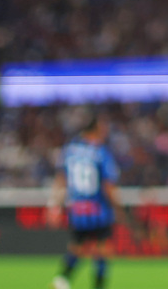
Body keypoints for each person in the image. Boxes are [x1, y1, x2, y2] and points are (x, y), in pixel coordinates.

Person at [49, 114, 124, 289]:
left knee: (77, 247)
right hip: (98, 208)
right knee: (103, 249)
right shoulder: (100, 152)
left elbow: (61, 179)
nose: (106, 132)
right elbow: (108, 185)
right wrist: (118, 209)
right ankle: (98, 286)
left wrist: (54, 206)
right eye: (103, 128)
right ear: (96, 129)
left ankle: (62, 281)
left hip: (77, 209)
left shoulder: (70, 149)